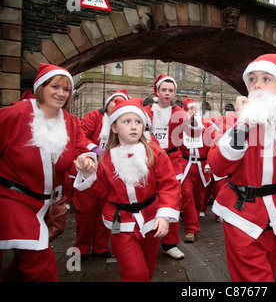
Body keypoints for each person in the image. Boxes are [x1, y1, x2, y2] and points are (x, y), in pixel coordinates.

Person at [208, 50, 276, 282]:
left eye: (266, 79)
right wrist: (241, 126)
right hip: (242, 215)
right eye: (252, 79)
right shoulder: (234, 121)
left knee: (273, 272)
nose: (257, 85)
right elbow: (218, 167)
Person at [74, 97, 182, 281]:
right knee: (135, 274)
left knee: (147, 272)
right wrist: (88, 174)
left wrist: (164, 215)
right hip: (120, 224)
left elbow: (168, 185)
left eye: (138, 122)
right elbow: (101, 192)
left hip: (151, 221)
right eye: (127, 121)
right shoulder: (107, 159)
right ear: (114, 128)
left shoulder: (154, 153)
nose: (134, 126)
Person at [0, 63, 91, 281]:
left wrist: (86, 160)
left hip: (47, 204)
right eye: (55, 87)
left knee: (25, 259)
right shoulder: (14, 114)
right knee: (41, 263)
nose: (61, 93)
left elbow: (79, 149)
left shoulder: (70, 122)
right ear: (41, 87)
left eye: (66, 89)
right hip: (12, 199)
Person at [143, 74, 200, 260]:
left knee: (173, 199)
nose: (167, 93)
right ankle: (146, 238)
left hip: (172, 161)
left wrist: (191, 120)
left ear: (174, 93)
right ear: (157, 92)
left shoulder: (180, 113)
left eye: (171, 90)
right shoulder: (145, 112)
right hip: (148, 160)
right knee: (149, 199)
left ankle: (170, 244)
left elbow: (194, 135)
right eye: (164, 90)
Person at [73, 89, 130, 261]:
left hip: (109, 174)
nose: (116, 105)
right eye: (114, 101)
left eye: (121, 102)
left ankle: (101, 247)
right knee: (85, 212)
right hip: (89, 171)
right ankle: (81, 248)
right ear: (107, 104)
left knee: (104, 211)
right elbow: (79, 135)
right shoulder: (94, 117)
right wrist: (94, 149)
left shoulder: (124, 123)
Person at [179, 98, 214, 243]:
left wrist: (211, 163)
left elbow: (213, 146)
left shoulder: (206, 125)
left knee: (198, 198)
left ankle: (193, 220)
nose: (193, 112)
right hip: (185, 165)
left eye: (194, 109)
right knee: (187, 197)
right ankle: (191, 229)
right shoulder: (179, 127)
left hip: (202, 166)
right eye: (189, 109)